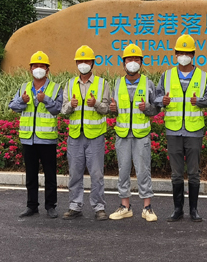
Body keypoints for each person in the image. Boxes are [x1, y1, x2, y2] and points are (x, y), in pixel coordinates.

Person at [155, 34, 207, 222]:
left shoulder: (203, 76)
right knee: (176, 173)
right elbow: (157, 97)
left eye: (187, 53)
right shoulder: (167, 75)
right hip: (173, 129)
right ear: (176, 54)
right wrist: (162, 101)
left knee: (194, 173)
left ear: (193, 54)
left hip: (194, 130)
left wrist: (200, 101)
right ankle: (177, 209)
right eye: (180, 52)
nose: (184, 56)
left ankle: (194, 210)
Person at [9, 51, 63, 219]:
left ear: (47, 70)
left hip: (47, 139)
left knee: (50, 175)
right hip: (28, 139)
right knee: (31, 175)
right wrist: (22, 101)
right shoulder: (24, 88)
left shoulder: (55, 88)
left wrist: (45, 99)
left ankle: (50, 206)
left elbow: (58, 109)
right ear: (30, 69)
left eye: (42, 66)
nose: (38, 69)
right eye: (35, 66)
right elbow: (13, 106)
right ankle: (31, 206)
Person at [108, 44, 159, 222]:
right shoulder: (118, 83)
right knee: (123, 171)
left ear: (141, 63)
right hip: (122, 134)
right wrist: (113, 109)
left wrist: (147, 108)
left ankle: (147, 208)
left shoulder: (148, 83)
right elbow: (114, 108)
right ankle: (125, 207)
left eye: (136, 59)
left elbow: (156, 109)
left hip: (141, 134)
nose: (133, 62)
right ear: (123, 63)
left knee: (143, 170)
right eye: (129, 59)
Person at [61, 45, 111, 221]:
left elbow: (107, 109)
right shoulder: (70, 84)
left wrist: (95, 103)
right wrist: (71, 105)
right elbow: (63, 109)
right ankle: (75, 205)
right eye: (80, 61)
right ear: (76, 63)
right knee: (75, 173)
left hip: (95, 136)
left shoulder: (102, 84)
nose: (83, 64)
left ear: (92, 63)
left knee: (96, 174)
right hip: (75, 135)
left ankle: (99, 207)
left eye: (86, 61)